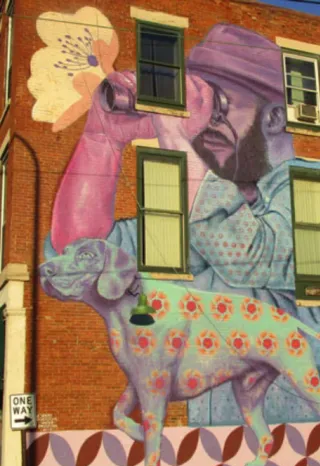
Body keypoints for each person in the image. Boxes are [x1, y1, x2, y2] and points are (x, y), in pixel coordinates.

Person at [44, 24, 320, 422]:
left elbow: (249, 255)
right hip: (220, 445)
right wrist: (101, 142)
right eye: (201, 106)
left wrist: (171, 128)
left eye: (220, 105)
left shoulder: (306, 187)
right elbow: (83, 249)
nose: (206, 123)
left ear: (275, 117)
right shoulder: (196, 205)